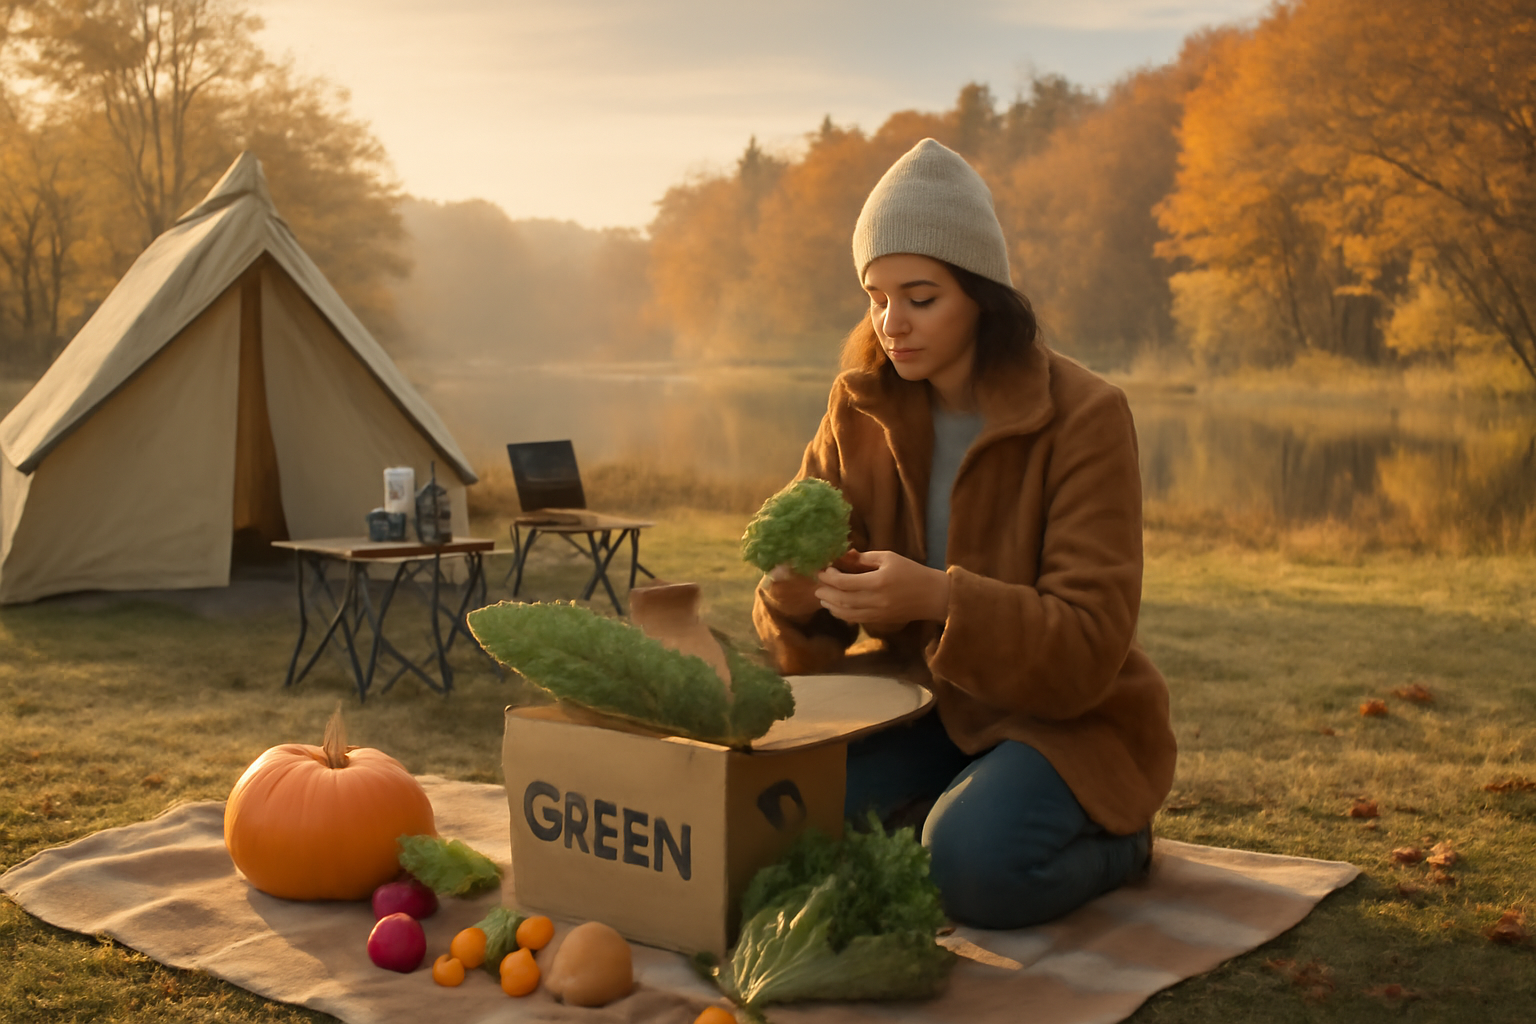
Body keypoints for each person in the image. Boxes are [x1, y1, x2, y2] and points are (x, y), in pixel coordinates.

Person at [752, 138, 1176, 930]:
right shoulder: (859, 407)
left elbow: (1091, 641)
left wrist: (941, 597)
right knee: (780, 820)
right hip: (921, 702)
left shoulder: (1087, 416)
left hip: (1063, 716)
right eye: (876, 296)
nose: (891, 324)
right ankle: (949, 805)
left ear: (982, 295)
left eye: (920, 297)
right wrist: (797, 590)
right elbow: (794, 609)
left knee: (972, 870)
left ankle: (1122, 841)